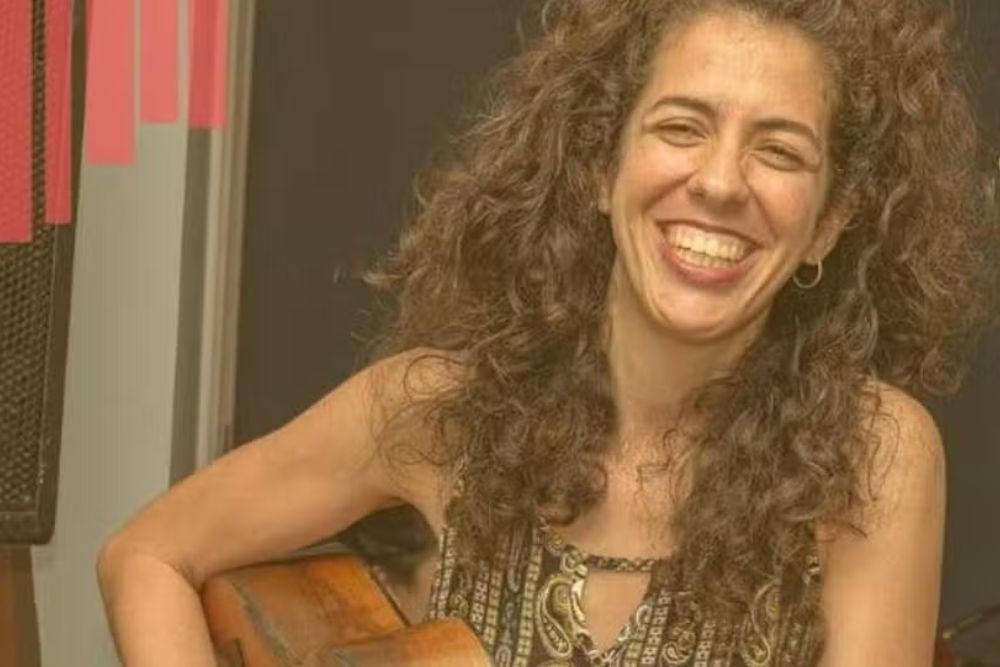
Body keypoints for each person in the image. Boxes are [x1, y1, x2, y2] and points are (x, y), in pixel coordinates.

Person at [97, 0, 999, 665]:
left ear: (831, 221)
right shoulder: (440, 408)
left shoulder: (871, 455)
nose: (721, 182)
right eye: (681, 127)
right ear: (603, 167)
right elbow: (145, 555)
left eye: (779, 150)